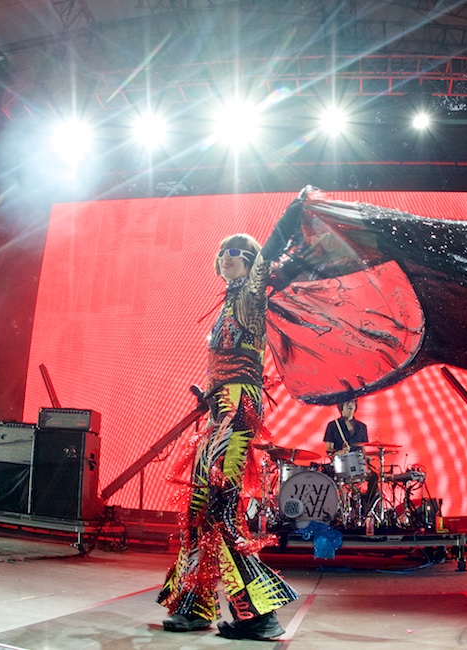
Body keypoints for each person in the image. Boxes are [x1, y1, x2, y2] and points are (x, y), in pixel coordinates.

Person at [157, 200, 303, 641]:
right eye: (222, 251)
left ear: (250, 261)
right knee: (199, 510)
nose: (226, 256)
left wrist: (295, 211)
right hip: (222, 409)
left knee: (220, 508)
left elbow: (269, 256)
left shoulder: (250, 296)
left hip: (238, 413)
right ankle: (195, 605)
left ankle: (259, 615)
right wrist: (211, 393)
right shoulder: (227, 305)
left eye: (235, 251)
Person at [323, 399, 379, 516]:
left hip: (358, 466)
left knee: (374, 477)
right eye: (347, 402)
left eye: (353, 402)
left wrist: (366, 458)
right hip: (340, 467)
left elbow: (362, 450)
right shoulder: (333, 426)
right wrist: (340, 452)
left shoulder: (362, 427)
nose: (350, 405)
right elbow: (329, 451)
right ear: (341, 406)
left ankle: (366, 507)